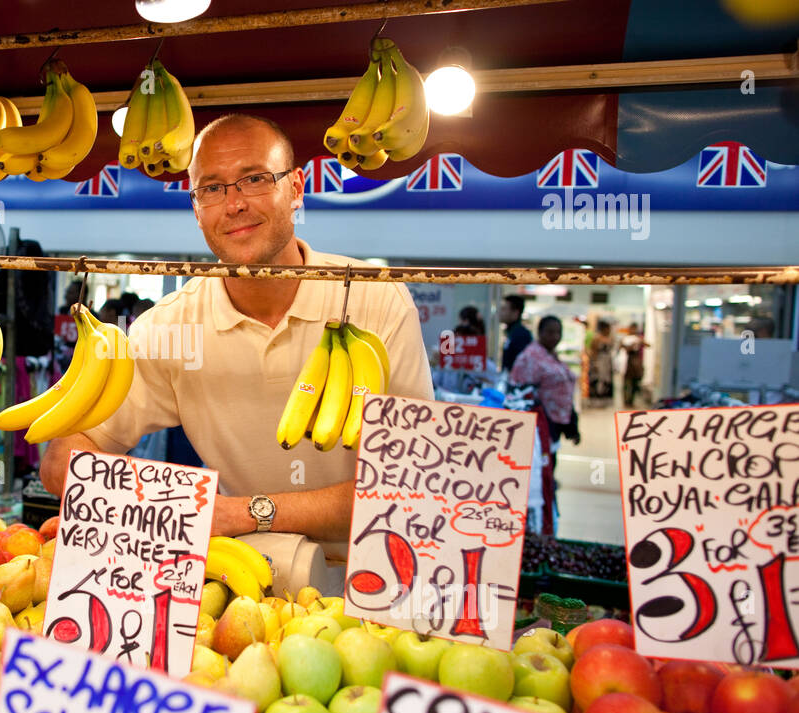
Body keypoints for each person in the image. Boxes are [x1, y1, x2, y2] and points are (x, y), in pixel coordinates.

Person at [39, 113, 434, 557]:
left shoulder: (375, 301)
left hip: (378, 573)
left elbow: (410, 482)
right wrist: (168, 506)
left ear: (297, 189)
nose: (234, 204)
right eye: (211, 188)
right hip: (242, 577)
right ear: (195, 208)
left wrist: (245, 512)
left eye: (254, 179)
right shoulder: (169, 328)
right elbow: (61, 463)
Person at [510, 315, 579, 448]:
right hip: (540, 422)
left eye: (559, 332)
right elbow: (519, 392)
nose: (555, 337)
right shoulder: (530, 357)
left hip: (556, 421)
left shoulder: (550, 355)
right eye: (550, 332)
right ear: (540, 333)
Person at [499, 294, 532, 373]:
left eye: (504, 309)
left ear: (515, 313)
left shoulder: (521, 335)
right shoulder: (511, 333)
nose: (500, 312)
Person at [585, 319, 614, 407]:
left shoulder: (610, 338)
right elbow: (593, 351)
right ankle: (596, 400)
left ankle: (605, 400)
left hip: (607, 362)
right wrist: (595, 363)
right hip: (599, 361)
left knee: (606, 381)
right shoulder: (597, 338)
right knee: (598, 380)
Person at [619, 326, 648, 408]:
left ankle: (631, 401)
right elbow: (623, 348)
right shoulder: (625, 339)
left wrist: (639, 340)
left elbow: (648, 345)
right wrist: (632, 344)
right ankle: (626, 401)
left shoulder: (637, 339)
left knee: (634, 384)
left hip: (636, 365)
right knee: (627, 384)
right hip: (627, 365)